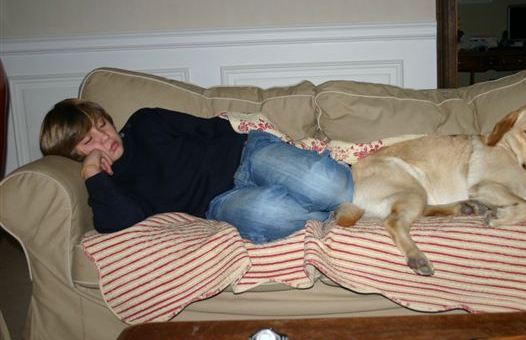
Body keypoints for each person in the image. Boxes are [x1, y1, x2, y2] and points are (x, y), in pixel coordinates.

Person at [39, 99, 353, 243]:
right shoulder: (113, 187)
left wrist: (269, 147)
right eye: (88, 141)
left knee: (328, 186)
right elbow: (119, 224)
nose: (104, 137)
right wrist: (93, 173)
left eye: (102, 125)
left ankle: (337, 199)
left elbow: (212, 129)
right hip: (220, 203)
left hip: (248, 155)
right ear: (74, 155)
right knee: (270, 213)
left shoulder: (145, 122)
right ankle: (334, 217)